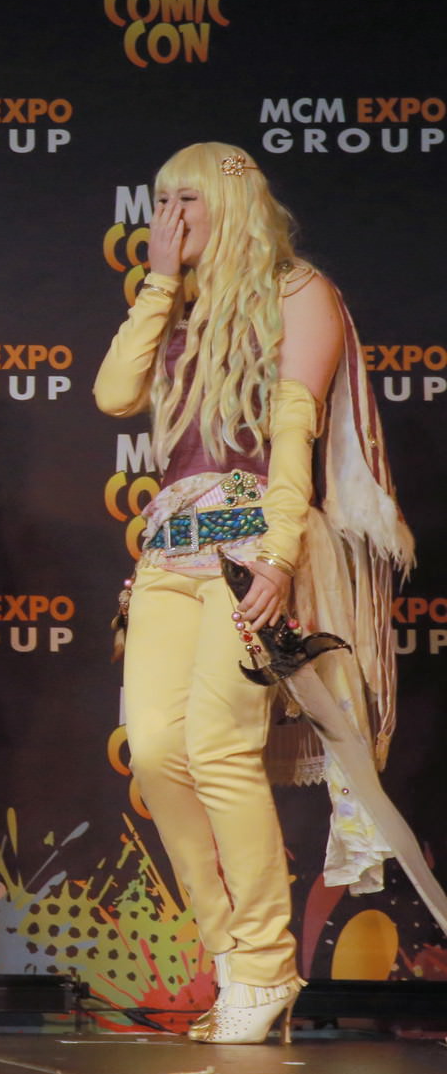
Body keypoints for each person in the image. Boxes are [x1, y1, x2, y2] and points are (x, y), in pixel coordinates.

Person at [95, 143, 412, 1045]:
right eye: (160, 202)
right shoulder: (179, 301)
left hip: (250, 546)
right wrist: (159, 283)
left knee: (218, 745)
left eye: (186, 201)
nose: (168, 218)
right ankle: (232, 955)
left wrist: (277, 557)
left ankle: (268, 963)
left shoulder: (297, 289)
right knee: (157, 752)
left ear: (232, 204)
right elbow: (114, 393)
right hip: (169, 550)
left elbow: (293, 427)